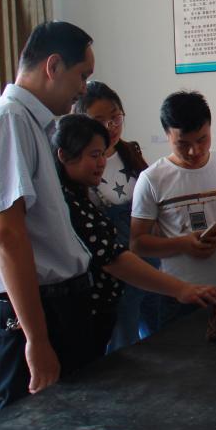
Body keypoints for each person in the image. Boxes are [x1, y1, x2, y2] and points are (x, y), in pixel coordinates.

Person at [0, 20, 100, 408]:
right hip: (36, 312)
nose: (83, 89)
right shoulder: (8, 120)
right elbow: (7, 235)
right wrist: (36, 338)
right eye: (82, 75)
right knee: (39, 428)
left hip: (56, 306)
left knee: (72, 424)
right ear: (53, 66)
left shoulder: (31, 123)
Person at [54, 114, 216, 363]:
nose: (102, 163)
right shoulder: (66, 203)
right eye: (94, 155)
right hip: (80, 317)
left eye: (103, 154)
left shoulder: (80, 197)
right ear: (64, 156)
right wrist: (182, 288)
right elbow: (114, 257)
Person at [130, 91, 216, 327]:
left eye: (202, 139)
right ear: (167, 135)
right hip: (178, 297)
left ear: (210, 127)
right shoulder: (152, 179)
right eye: (183, 144)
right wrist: (184, 244)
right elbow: (137, 244)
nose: (194, 151)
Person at [73, 81, 158, 349]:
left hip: (151, 261)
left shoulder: (130, 152)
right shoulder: (79, 169)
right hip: (115, 273)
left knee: (161, 336)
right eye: (99, 120)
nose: (110, 127)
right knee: (124, 345)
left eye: (116, 117)